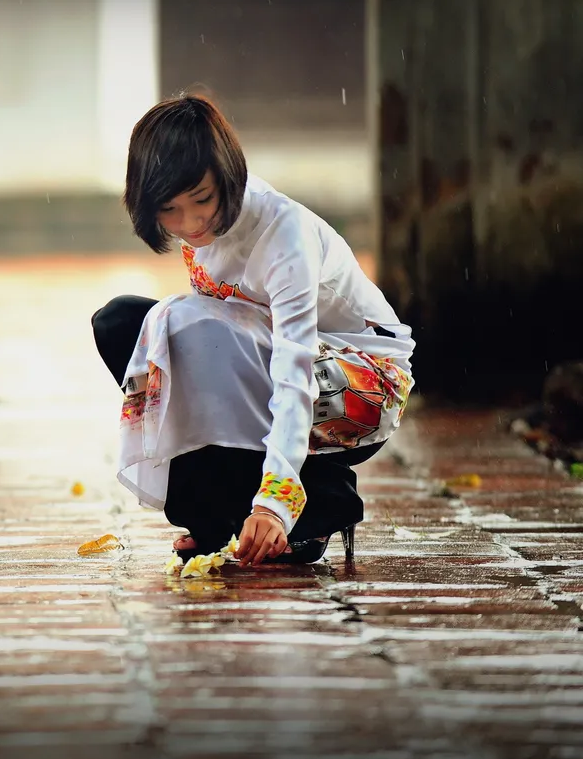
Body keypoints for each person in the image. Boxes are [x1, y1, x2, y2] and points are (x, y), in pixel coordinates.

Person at [91, 95, 415, 566]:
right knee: (124, 325)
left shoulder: (284, 236)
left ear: (226, 176)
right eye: (170, 210)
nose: (192, 224)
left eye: (202, 200)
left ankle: (319, 500)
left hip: (357, 388)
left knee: (187, 330)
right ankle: (220, 516)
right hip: (261, 361)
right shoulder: (200, 231)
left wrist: (275, 502)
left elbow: (292, 368)